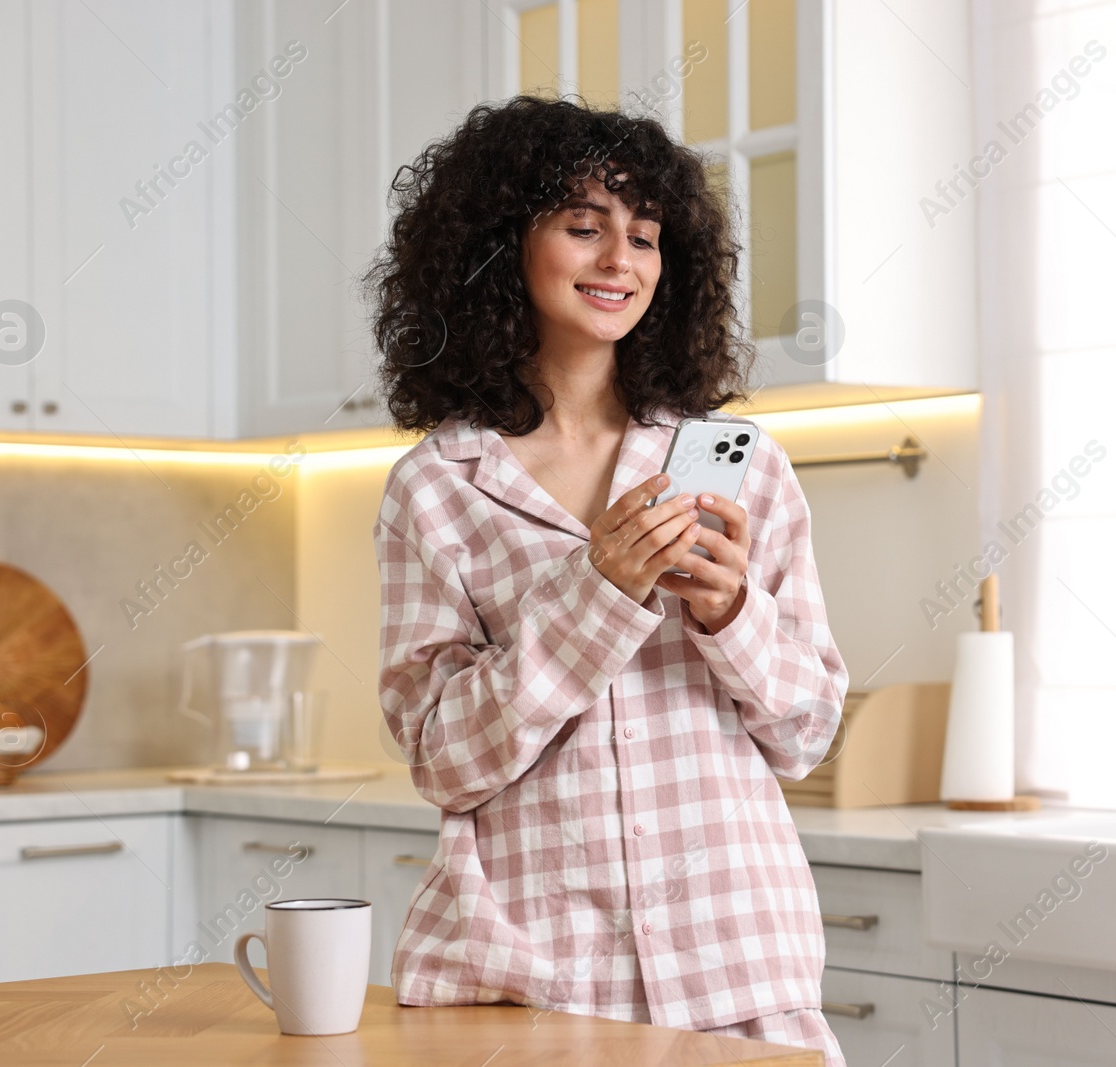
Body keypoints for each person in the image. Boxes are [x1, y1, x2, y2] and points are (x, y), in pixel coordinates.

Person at [367, 95, 849, 1067]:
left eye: (643, 235)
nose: (618, 260)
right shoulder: (438, 486)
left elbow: (806, 731)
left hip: (738, 965)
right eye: (582, 227)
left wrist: (728, 611)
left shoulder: (736, 460)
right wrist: (598, 591)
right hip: (528, 981)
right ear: (502, 245)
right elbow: (442, 759)